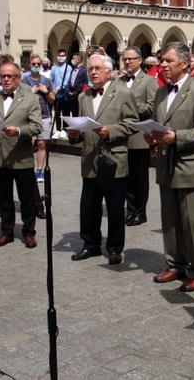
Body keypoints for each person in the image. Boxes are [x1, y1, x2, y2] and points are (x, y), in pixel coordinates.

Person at [145, 41, 194, 292]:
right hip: (166, 166)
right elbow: (159, 123)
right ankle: (175, 264)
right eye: (161, 60)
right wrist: (152, 135)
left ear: (185, 63)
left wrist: (178, 137)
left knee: (192, 223)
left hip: (190, 167)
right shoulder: (161, 92)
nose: (162, 65)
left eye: (168, 61)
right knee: (170, 221)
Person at [68, 54, 138, 264]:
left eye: (98, 68)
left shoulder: (124, 93)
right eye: (91, 69)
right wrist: (75, 134)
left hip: (113, 158)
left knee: (115, 207)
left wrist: (111, 130)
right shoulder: (84, 96)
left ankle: (115, 248)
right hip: (90, 158)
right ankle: (90, 245)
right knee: (88, 206)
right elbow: (82, 125)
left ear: (109, 72)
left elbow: (133, 124)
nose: (93, 72)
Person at [0, 61, 43, 249]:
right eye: (3, 76)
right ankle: (6, 232)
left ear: (18, 77)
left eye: (10, 76)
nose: (6, 79)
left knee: (26, 198)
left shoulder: (29, 99)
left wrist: (18, 130)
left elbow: (37, 126)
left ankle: (29, 232)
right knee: (4, 198)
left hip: (21, 155)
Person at [115, 46, 158, 227]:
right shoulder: (118, 82)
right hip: (122, 137)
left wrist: (130, 108)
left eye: (131, 59)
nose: (127, 62)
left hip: (140, 136)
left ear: (140, 60)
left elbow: (153, 106)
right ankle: (130, 210)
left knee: (139, 178)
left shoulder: (148, 81)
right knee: (126, 177)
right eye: (125, 59)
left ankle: (140, 212)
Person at [21, 53, 56, 183]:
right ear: (29, 65)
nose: (36, 66)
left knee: (42, 144)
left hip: (44, 116)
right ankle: (28, 168)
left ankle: (39, 171)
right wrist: (30, 92)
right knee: (29, 144)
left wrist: (46, 91)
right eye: (33, 64)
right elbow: (19, 100)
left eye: (38, 64)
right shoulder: (24, 82)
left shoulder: (46, 81)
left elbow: (52, 100)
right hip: (29, 117)